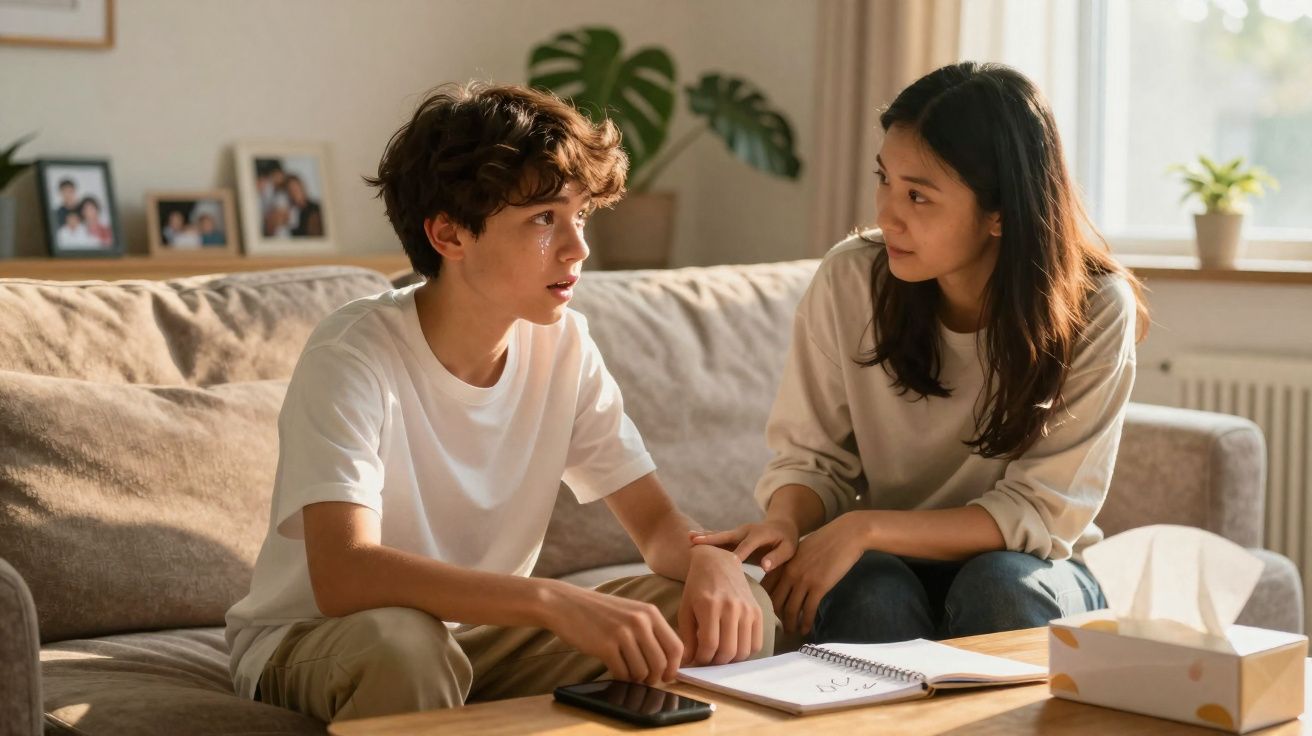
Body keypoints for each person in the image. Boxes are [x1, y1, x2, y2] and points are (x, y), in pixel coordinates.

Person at [224, 82, 775, 724]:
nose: (578, 248)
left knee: (731, 612)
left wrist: (709, 559)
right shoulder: (353, 352)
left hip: (477, 641)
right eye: (544, 219)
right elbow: (345, 572)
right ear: (449, 235)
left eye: (580, 215)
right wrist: (547, 601)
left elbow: (655, 526)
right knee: (407, 647)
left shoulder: (564, 344)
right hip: (322, 641)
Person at [692, 62, 1149, 645]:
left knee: (999, 586)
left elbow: (1041, 514)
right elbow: (813, 459)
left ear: (1001, 212)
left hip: (1036, 569)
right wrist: (784, 522)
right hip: (890, 563)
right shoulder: (851, 279)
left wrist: (865, 527)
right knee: (870, 593)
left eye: (918, 196)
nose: (886, 213)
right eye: (884, 179)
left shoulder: (1093, 306)